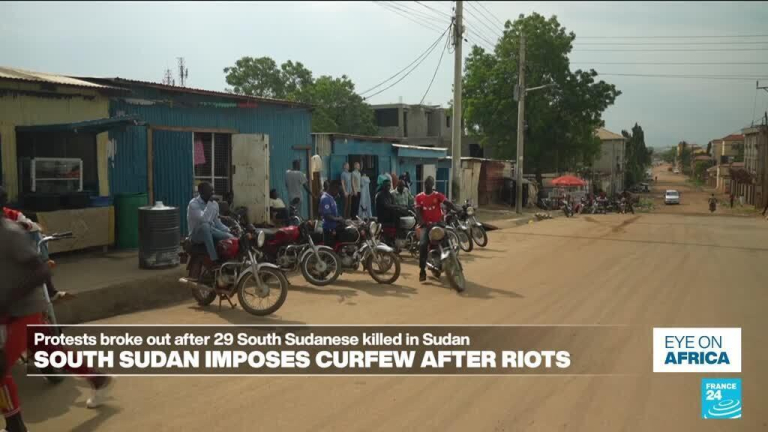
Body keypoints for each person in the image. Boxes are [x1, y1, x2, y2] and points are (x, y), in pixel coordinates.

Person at [0, 219, 114, 432]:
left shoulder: (10, 233)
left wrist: (9, 298)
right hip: (9, 312)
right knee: (53, 352)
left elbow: (42, 271)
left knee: (1, 367)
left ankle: (15, 426)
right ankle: (98, 379)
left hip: (24, 310)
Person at [0, 186, 71, 303]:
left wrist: (23, 225)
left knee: (35, 233)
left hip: (16, 263)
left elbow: (35, 226)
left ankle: (45, 261)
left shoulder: (12, 221)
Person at [415, 176, 457, 282]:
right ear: (424, 184)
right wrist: (422, 222)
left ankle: (454, 259)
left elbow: (447, 203)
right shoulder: (419, 197)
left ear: (433, 185)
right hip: (427, 226)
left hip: (438, 223)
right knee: (423, 245)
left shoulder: (437, 195)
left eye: (430, 183)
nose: (428, 185)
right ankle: (422, 271)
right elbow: (418, 212)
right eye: (426, 183)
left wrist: (456, 209)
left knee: (447, 238)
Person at [187, 182, 233, 267]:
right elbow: (203, 219)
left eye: (213, 190)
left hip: (211, 230)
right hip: (196, 234)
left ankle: (230, 265)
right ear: (201, 193)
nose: (213, 192)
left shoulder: (214, 204)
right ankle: (214, 259)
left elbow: (217, 222)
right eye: (210, 191)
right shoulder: (193, 204)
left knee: (231, 238)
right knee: (205, 226)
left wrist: (229, 230)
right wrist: (210, 203)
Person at [319, 181, 344, 246]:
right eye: (337, 191)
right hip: (328, 229)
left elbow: (333, 212)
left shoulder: (331, 198)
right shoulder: (325, 198)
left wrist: (340, 218)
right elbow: (327, 215)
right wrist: (338, 219)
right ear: (332, 188)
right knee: (329, 251)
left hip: (334, 227)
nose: (337, 193)